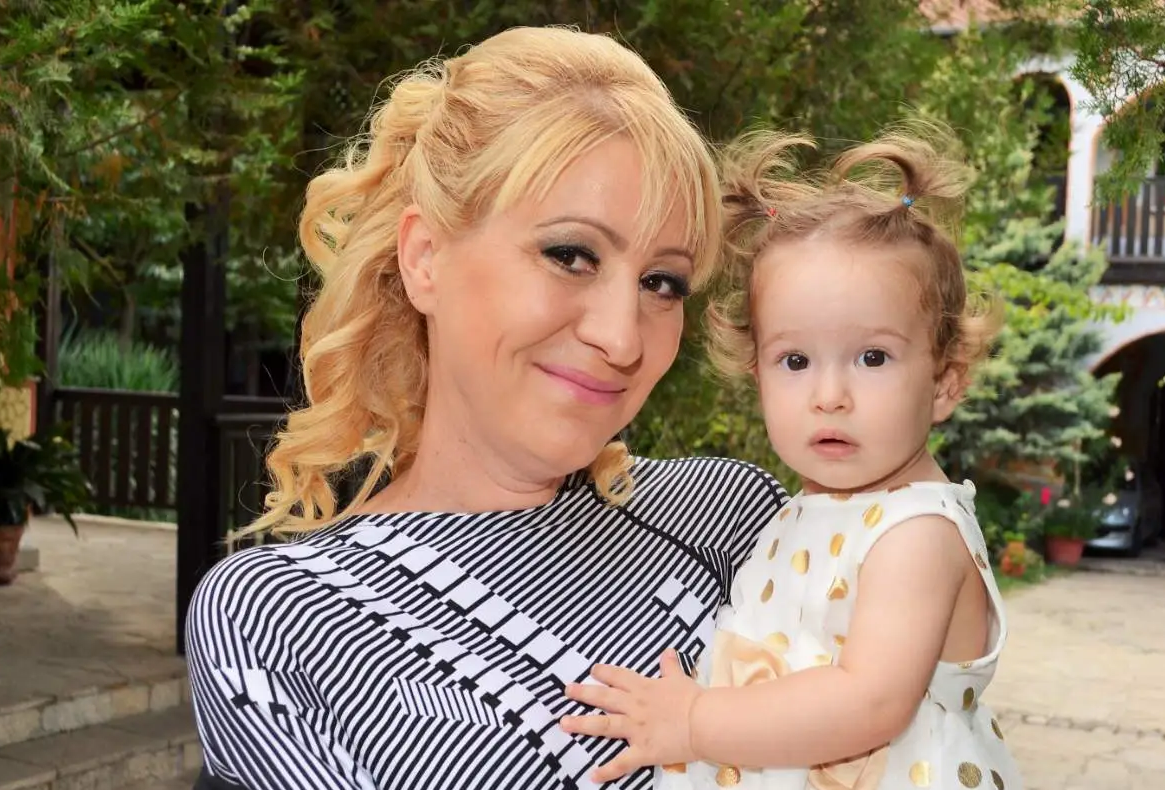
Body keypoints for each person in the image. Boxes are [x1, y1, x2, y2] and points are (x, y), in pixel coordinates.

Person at [184, 27, 787, 790]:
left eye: (661, 283)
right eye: (570, 255)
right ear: (425, 259)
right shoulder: (282, 618)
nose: (622, 337)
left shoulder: (729, 518)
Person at [560, 126, 1024, 790]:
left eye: (873, 357)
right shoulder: (804, 513)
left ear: (945, 381)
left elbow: (869, 702)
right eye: (796, 360)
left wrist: (693, 721)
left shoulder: (917, 533)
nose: (829, 396)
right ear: (757, 375)